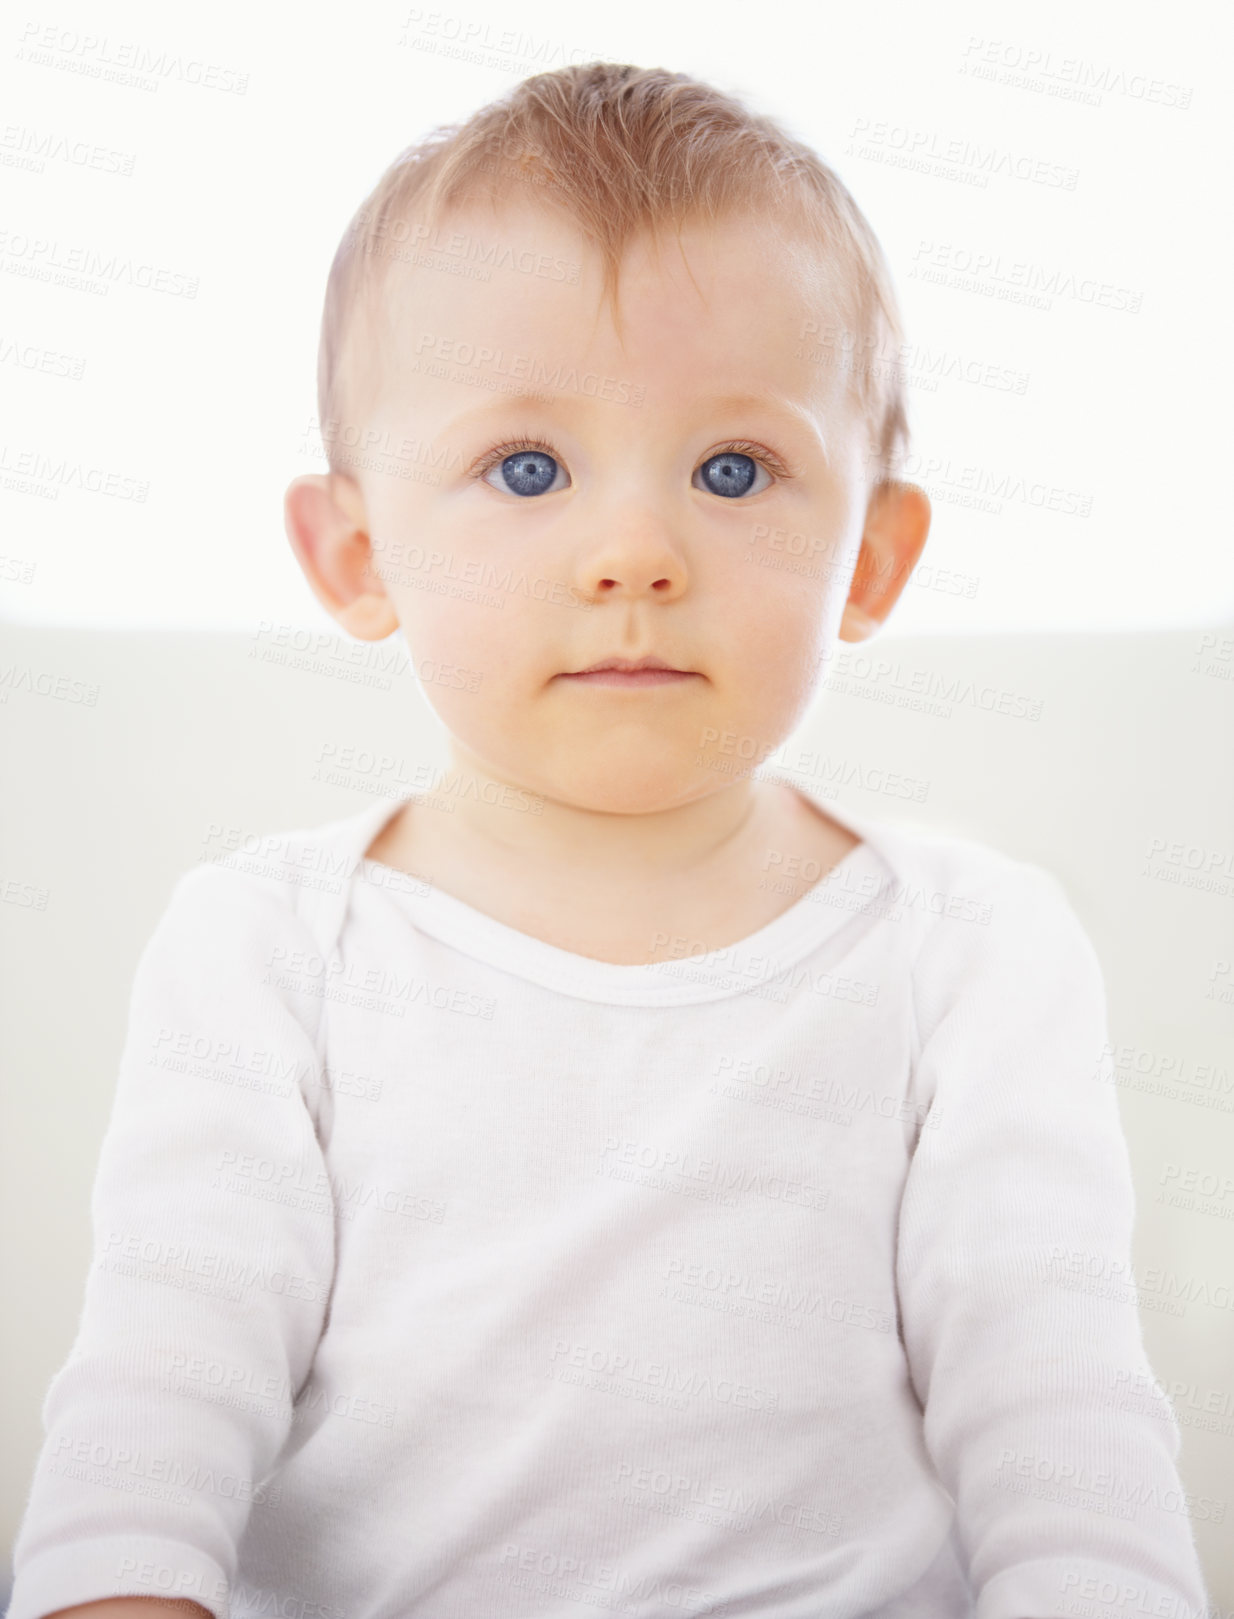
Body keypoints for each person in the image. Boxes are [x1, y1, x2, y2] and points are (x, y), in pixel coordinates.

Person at [9, 61, 1211, 1619]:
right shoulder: (269, 945)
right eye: (527, 470)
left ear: (873, 556)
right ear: (359, 553)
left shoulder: (967, 946)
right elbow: (158, 1400)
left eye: (733, 470)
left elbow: (1058, 1420)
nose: (633, 554)